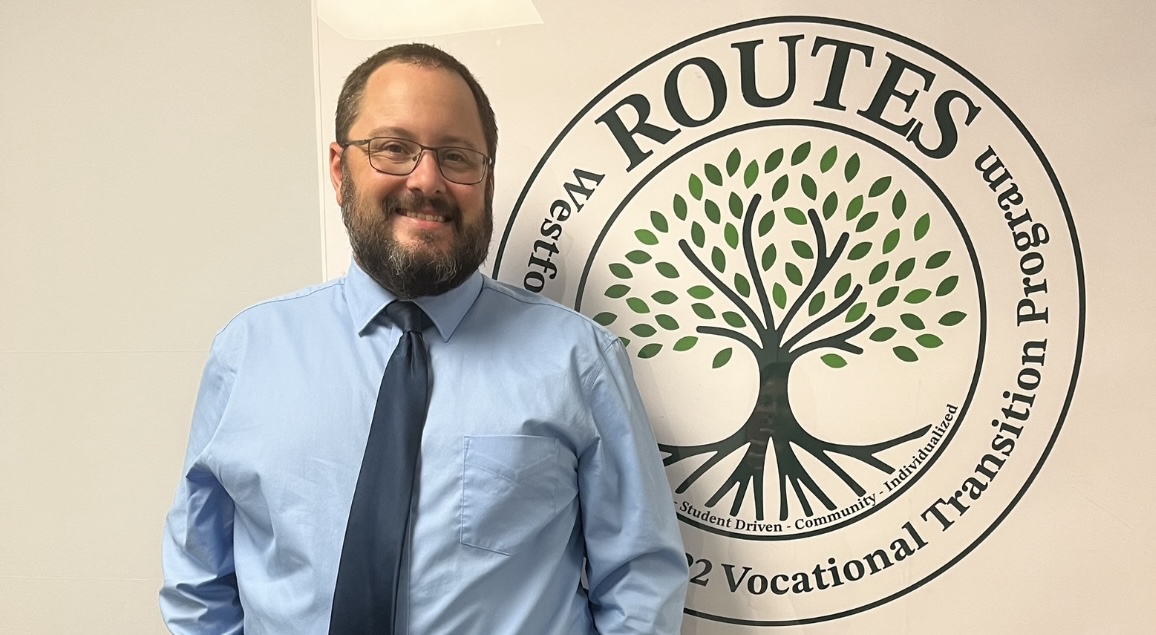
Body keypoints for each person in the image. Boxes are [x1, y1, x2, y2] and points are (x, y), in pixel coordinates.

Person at [159, 43, 688, 634]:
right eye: (393, 149)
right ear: (340, 169)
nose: (426, 180)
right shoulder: (248, 354)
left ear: (486, 178)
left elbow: (640, 582)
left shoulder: (579, 362)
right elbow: (198, 579)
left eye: (457, 157)